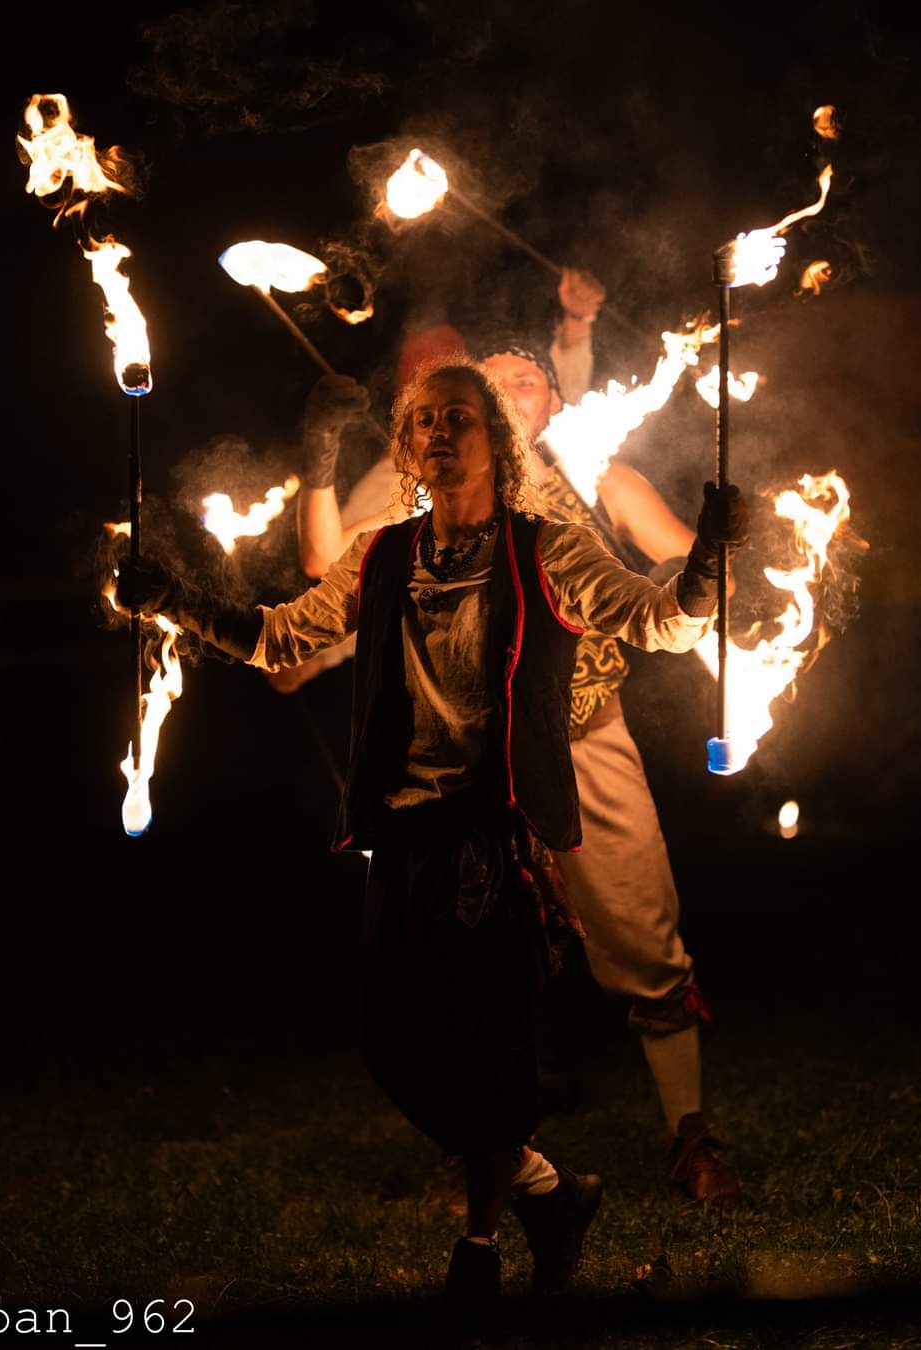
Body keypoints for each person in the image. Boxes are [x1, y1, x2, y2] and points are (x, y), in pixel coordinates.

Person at [116, 361, 746, 1301]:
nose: (440, 432)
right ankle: (548, 1188)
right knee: (394, 1046)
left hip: (498, 829)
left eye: (461, 417)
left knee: (489, 1041)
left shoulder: (551, 548)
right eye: (422, 421)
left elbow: (663, 625)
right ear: (407, 447)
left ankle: (481, 1253)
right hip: (406, 828)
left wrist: (705, 568)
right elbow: (278, 639)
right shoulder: (380, 553)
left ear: (498, 439)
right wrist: (172, 598)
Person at [294, 334, 742, 1205]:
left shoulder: (599, 481)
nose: (507, 393)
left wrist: (727, 556)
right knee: (469, 957)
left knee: (645, 937)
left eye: (525, 378)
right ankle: (497, 1158)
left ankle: (690, 1137)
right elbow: (326, 566)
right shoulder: (426, 498)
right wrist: (317, 463)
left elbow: (684, 562)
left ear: (550, 404)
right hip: (473, 763)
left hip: (586, 739)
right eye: (488, 386)